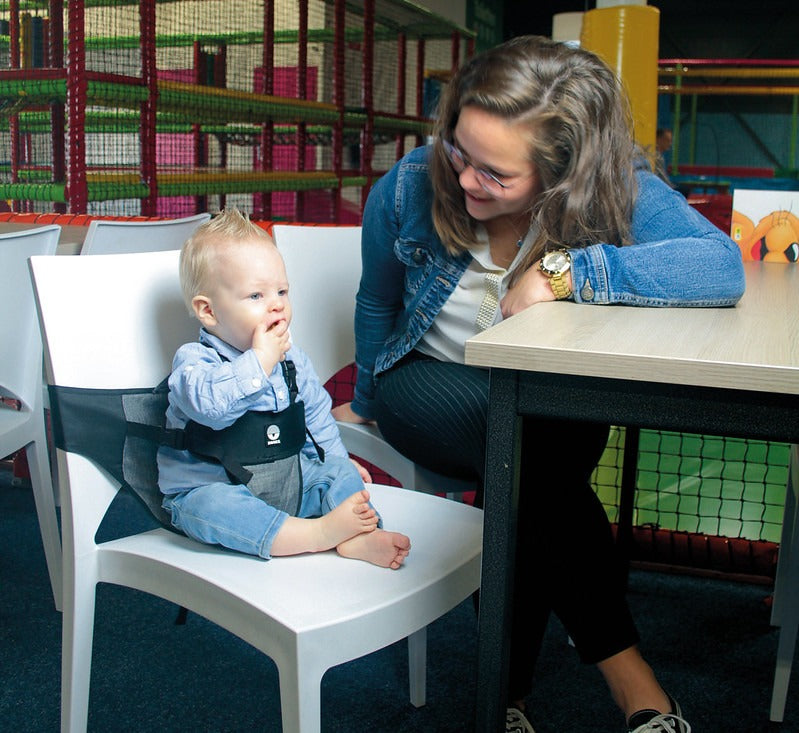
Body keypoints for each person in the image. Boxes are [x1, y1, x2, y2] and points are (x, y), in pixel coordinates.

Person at [333, 35, 745, 732]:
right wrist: (369, 402)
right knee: (530, 451)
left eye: (496, 174)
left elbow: (719, 266)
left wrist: (568, 273)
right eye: (460, 151)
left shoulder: (612, 190)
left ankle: (505, 695)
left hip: (541, 400)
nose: (466, 180)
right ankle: (631, 681)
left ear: (560, 174)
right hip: (426, 382)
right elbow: (377, 300)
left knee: (535, 454)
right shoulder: (407, 183)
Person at [157, 207, 411, 570]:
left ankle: (360, 537)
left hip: (287, 483)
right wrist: (259, 362)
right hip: (214, 488)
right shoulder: (196, 362)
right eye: (256, 296)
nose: (277, 303)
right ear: (209, 312)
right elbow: (209, 408)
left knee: (341, 473)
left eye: (281, 290)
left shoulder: (292, 360)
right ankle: (317, 535)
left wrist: (337, 461)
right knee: (210, 508)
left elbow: (317, 417)